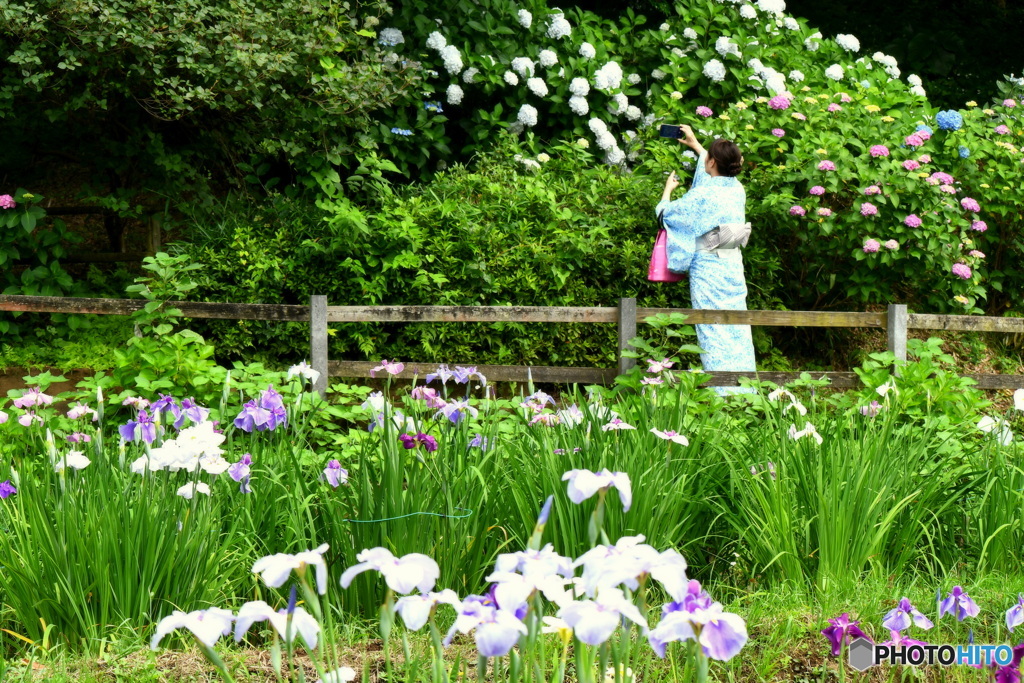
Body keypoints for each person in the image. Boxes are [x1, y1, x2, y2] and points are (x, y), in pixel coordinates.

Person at [655, 124, 755, 394]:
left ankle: (723, 395)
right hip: (732, 263)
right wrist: (698, 146)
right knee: (737, 326)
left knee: (712, 328)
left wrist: (666, 194)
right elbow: (713, 178)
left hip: (709, 268)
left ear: (712, 162)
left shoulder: (704, 194)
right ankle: (744, 391)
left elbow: (668, 215)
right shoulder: (737, 189)